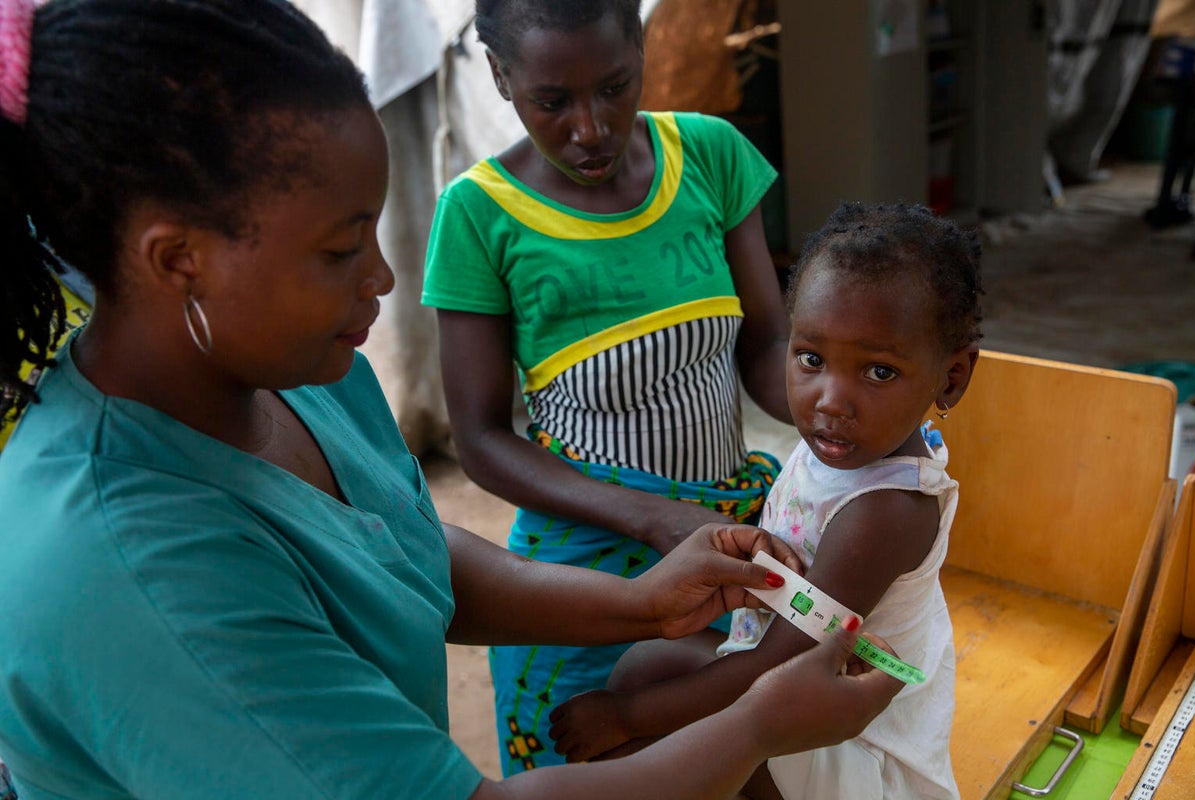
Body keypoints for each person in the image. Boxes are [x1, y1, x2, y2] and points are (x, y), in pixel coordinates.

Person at [0, 1, 906, 798]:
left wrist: (641, 605)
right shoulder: (128, 572)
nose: (384, 277)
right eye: (340, 248)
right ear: (177, 258)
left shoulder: (298, 376)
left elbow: (396, 550)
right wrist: (757, 721)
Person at [420, 0, 793, 773]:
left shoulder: (711, 156)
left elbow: (766, 345)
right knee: (595, 765)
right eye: (552, 102)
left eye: (615, 87)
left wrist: (848, 426)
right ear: (500, 76)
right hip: (576, 568)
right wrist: (655, 518)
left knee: (724, 760)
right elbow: (483, 440)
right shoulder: (479, 214)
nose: (589, 128)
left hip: (717, 533)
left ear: (642, 49)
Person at [548, 203, 983, 800]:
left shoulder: (885, 511)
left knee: (654, 722)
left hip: (856, 739)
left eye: (878, 372)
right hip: (790, 680)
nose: (831, 399)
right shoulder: (842, 446)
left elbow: (772, 670)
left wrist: (627, 718)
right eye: (811, 359)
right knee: (647, 668)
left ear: (950, 380)